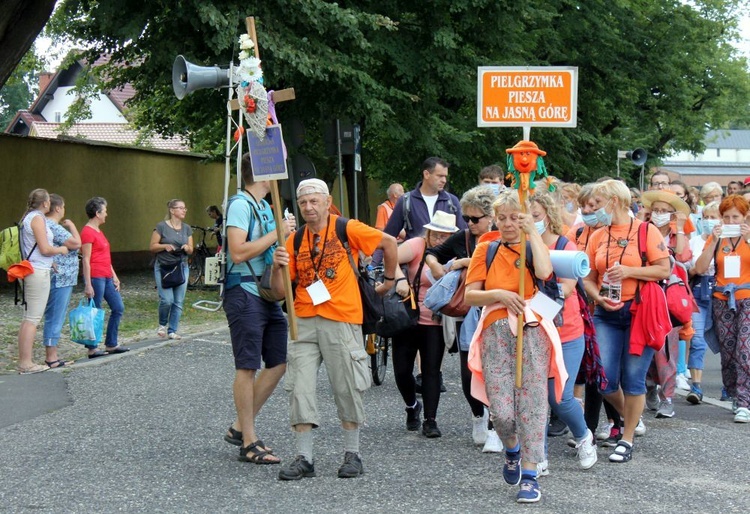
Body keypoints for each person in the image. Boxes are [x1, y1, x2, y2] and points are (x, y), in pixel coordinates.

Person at [271, 178, 398, 480]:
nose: (309, 207)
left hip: (341, 319)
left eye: (315, 201)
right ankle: (305, 457)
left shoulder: (346, 227)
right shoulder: (295, 239)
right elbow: (278, 293)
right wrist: (277, 267)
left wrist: (390, 281)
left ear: (328, 202)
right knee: (299, 388)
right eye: (303, 202)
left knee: (346, 386)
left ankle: (352, 454)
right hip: (302, 320)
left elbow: (389, 243)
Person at [465, 189, 564, 504]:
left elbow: (547, 273)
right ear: (495, 218)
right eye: (502, 217)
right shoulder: (486, 248)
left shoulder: (533, 244)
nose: (508, 223)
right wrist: (499, 295)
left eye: (514, 217)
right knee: (503, 412)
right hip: (495, 331)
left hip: (532, 329)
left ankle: (531, 475)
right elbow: (470, 295)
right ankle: (511, 449)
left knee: (533, 405)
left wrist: (532, 230)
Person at [583, 180, 670, 463]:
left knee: (634, 378)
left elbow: (663, 268)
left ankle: (627, 436)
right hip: (606, 312)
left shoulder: (646, 230)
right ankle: (631, 415)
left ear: (615, 202)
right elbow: (587, 277)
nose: (594, 209)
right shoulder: (597, 235)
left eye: (598, 203)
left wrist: (630, 271)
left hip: (639, 311)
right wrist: (599, 297)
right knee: (604, 379)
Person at [222, 153, 296, 464]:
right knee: (247, 365)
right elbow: (237, 252)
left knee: (278, 362)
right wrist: (276, 232)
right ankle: (249, 440)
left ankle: (241, 426)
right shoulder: (240, 204)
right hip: (243, 291)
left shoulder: (265, 206)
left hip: (265, 294)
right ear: (266, 173)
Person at [423, 186, 498, 449]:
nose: (469, 223)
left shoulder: (504, 238)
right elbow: (431, 253)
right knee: (468, 373)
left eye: (475, 218)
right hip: (471, 314)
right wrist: (437, 266)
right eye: (466, 218)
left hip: (499, 311)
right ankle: (479, 416)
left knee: (496, 372)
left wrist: (464, 263)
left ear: (491, 216)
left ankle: (495, 427)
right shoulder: (464, 238)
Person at [529, 191, 597, 471]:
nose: (532, 222)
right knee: (534, 396)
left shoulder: (564, 245)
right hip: (532, 331)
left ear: (548, 214)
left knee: (559, 397)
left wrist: (529, 303)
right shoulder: (518, 247)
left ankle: (584, 437)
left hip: (566, 332)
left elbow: (566, 289)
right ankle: (538, 456)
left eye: (536, 216)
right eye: (527, 217)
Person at [390, 210, 458, 440]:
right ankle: (411, 405)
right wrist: (400, 279)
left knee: (431, 371)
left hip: (436, 320)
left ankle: (431, 420)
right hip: (408, 316)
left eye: (444, 236)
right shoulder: (417, 244)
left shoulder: (454, 251)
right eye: (436, 234)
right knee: (401, 370)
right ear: (428, 232)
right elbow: (391, 256)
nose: (439, 239)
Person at [694, 195, 750, 423]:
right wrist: (714, 241)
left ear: (745, 217)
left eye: (735, 216)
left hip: (747, 297)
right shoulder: (717, 239)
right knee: (728, 353)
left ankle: (745, 402)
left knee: (744, 350)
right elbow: (699, 267)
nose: (730, 221)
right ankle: (735, 394)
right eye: (726, 217)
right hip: (721, 298)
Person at [640, 189, 692, 419]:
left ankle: (667, 396)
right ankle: (650, 386)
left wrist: (679, 228)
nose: (659, 214)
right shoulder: (642, 231)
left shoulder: (675, 237)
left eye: (664, 211)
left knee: (667, 350)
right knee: (645, 347)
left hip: (668, 298)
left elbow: (682, 256)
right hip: (644, 296)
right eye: (656, 210)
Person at [16, 189, 69, 374]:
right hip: (37, 272)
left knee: (29, 317)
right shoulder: (37, 218)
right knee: (32, 318)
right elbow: (45, 248)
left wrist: (51, 262)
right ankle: (25, 363)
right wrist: (61, 250)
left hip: (38, 268)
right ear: (45, 203)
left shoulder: (31, 217)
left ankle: (25, 361)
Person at [81, 197, 130, 357]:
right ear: (97, 213)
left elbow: (105, 256)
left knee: (118, 307)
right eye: (105, 211)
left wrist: (114, 275)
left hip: (106, 275)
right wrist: (88, 284)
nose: (107, 214)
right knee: (95, 310)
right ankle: (92, 347)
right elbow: (86, 259)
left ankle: (111, 343)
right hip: (96, 276)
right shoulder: (87, 232)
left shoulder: (98, 231)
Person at [382, 157, 467, 242]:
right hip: (415, 254)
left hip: (446, 255)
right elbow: (388, 236)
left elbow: (463, 235)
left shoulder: (452, 201)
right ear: (426, 174)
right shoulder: (406, 201)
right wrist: (377, 255)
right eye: (440, 176)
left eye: (445, 176)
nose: (444, 180)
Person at [686, 201, 721, 404]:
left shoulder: (730, 241)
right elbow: (693, 270)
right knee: (697, 340)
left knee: (726, 342)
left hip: (721, 293)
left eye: (714, 217)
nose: (709, 221)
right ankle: (696, 385)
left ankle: (729, 386)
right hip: (699, 292)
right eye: (706, 217)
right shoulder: (695, 242)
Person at [42, 193, 81, 368]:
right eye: (63, 206)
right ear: (58, 208)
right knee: (55, 316)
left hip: (63, 277)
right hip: (61, 277)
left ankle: (53, 354)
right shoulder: (53, 226)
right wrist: (72, 226)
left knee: (56, 315)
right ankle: (51, 357)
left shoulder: (45, 225)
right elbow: (76, 243)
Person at [149, 199, 194, 340]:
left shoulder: (186, 228)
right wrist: (164, 246)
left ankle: (172, 330)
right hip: (164, 267)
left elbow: (191, 249)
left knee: (178, 301)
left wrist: (187, 248)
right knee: (167, 300)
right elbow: (152, 246)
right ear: (172, 210)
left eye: (185, 208)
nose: (184, 210)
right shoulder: (161, 226)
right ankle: (162, 324)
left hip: (181, 266)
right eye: (181, 208)